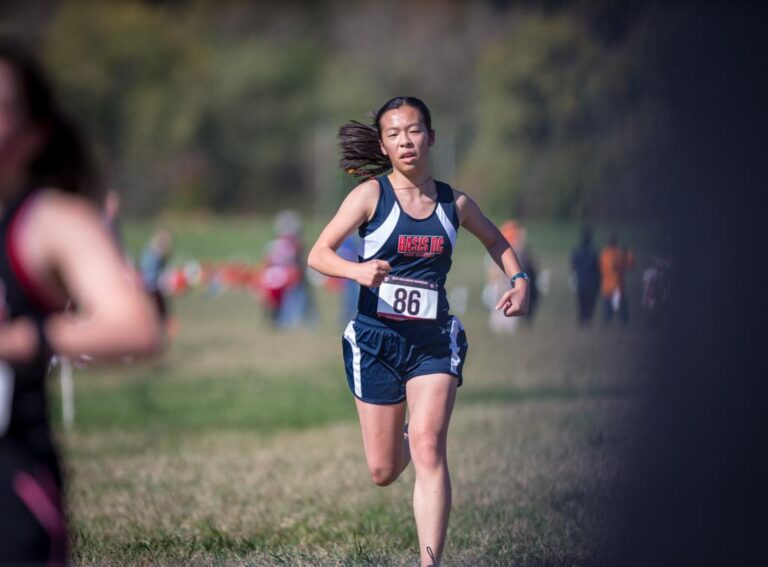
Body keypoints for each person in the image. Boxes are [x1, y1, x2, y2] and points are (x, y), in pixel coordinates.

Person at [307, 96, 530, 567]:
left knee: (429, 446)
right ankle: (403, 434)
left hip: (432, 340)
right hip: (376, 341)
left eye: (413, 130)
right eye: (393, 134)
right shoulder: (370, 196)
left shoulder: (456, 203)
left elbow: (497, 240)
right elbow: (319, 253)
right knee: (384, 470)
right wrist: (357, 270)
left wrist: (520, 280)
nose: (405, 141)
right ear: (384, 145)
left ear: (431, 137)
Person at [0, 41, 162, 565]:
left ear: (34, 133)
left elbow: (136, 327)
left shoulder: (49, 221)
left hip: (12, 487)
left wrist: (29, 338)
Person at [599, 232, 634, 325]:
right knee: (621, 306)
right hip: (617, 285)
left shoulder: (603, 253)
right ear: (616, 242)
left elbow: (600, 267)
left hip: (606, 286)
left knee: (608, 306)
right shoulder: (619, 254)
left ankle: (607, 322)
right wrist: (629, 252)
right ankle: (623, 322)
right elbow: (630, 266)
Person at [140, 228, 173, 323]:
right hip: (151, 284)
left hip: (152, 284)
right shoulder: (155, 250)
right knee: (154, 308)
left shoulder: (151, 249)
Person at [571, 226, 601, 325]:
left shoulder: (577, 251)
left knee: (582, 302)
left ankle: (583, 320)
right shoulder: (593, 252)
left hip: (581, 281)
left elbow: (573, 266)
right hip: (591, 282)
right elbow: (598, 267)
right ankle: (586, 319)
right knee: (589, 303)